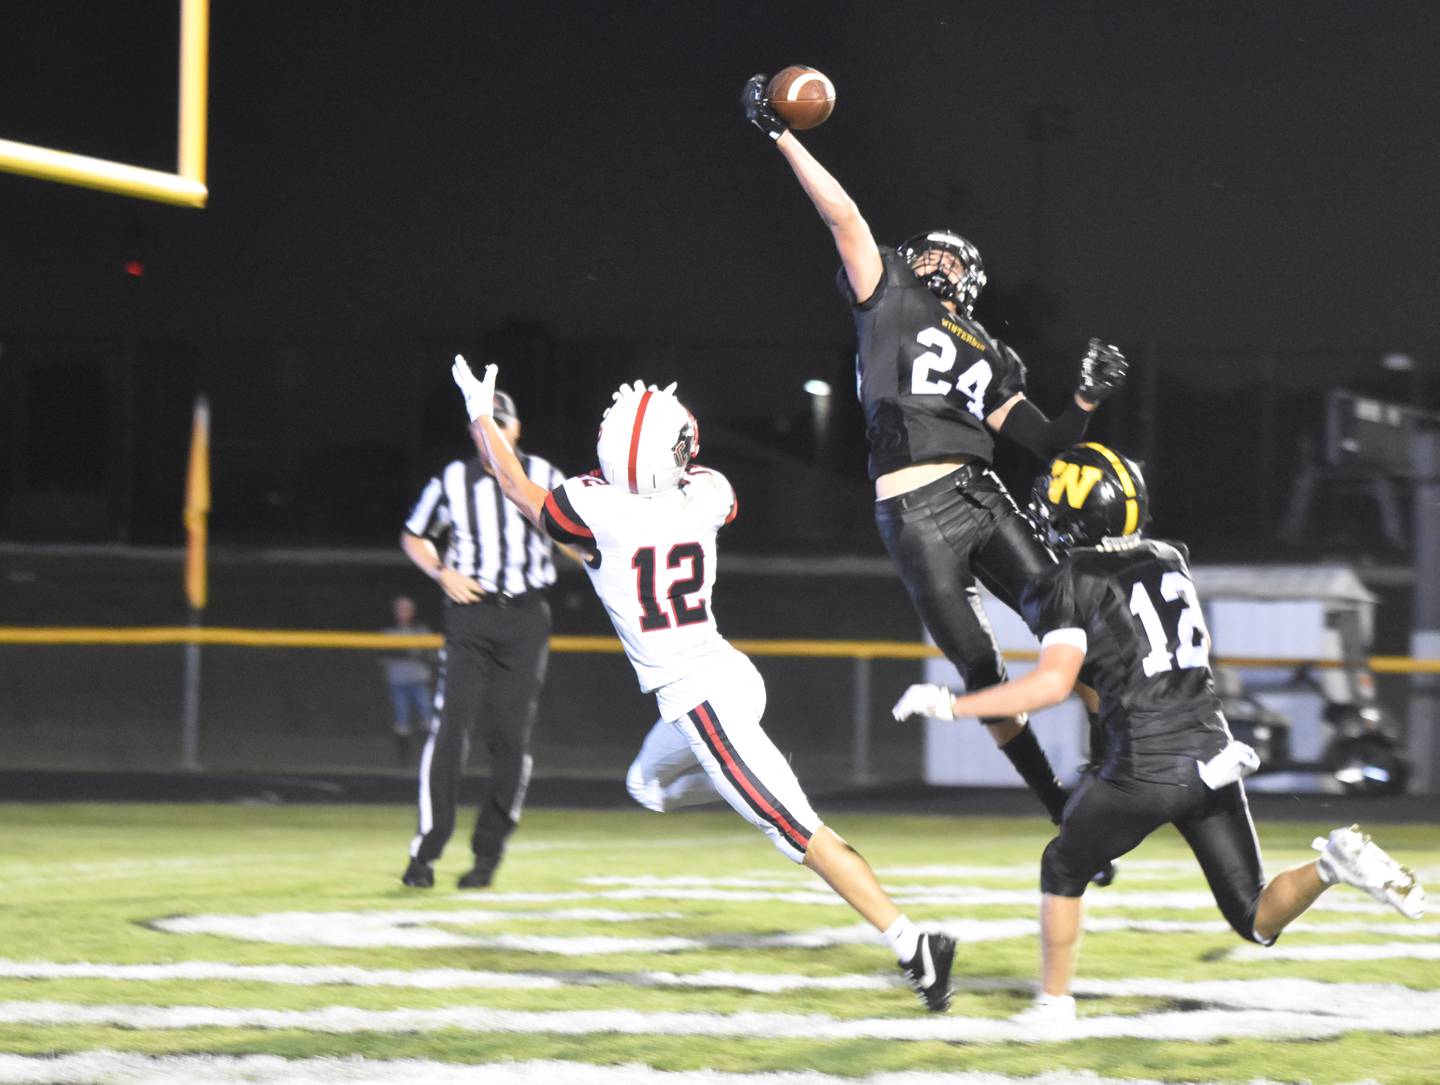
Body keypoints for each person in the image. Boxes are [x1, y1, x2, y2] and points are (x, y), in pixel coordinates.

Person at [452, 355, 959, 1013]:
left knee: (798, 833)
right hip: (726, 681)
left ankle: (914, 945)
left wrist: (478, 414)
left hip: (702, 700)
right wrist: (663, 428)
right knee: (644, 787)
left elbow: (515, 482)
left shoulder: (596, 510)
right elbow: (682, 460)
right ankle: (746, 773)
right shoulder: (708, 494)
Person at [892, 441, 1427, 1028]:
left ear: (1074, 512)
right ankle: (1334, 864)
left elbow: (1050, 685)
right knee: (1254, 917)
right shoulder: (1169, 558)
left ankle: (1053, 1004)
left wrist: (954, 703)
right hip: (1214, 750)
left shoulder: (1072, 579)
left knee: (1063, 867)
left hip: (1147, 763)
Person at [742, 75, 1129, 833]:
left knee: (1074, 617)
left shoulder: (989, 347)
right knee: (981, 673)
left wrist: (1084, 399)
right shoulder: (885, 292)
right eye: (936, 254)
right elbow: (842, 214)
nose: (943, 263)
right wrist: (782, 133)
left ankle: (1116, 763)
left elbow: (1048, 445)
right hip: (912, 510)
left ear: (975, 284)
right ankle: (1062, 806)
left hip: (981, 495)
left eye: (957, 260)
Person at [398, 382, 566, 891]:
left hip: (525, 617)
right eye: (479, 424)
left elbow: (575, 535)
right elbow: (414, 533)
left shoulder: (545, 477)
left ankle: (487, 854)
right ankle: (427, 849)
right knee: (451, 731)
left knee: (511, 740)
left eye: (497, 423)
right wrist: (440, 573)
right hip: (470, 614)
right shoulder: (452, 479)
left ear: (515, 430)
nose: (487, 432)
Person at [377, 594, 435, 763]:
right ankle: (404, 756)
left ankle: (429, 755)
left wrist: (417, 653)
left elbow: (431, 654)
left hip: (418, 680)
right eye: (399, 609)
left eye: (407, 609)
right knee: (401, 717)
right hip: (397, 681)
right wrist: (398, 653)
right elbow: (381, 657)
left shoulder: (421, 631)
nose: (403, 612)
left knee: (426, 714)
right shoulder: (388, 632)